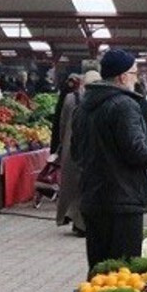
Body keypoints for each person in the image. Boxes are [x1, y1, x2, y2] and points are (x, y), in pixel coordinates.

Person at [72, 50, 147, 266]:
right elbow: (137, 152)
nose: (136, 78)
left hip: (92, 198)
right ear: (122, 77)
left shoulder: (83, 107)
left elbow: (76, 152)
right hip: (122, 201)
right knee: (123, 271)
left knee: (99, 270)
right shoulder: (125, 105)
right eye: (134, 73)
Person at [57, 70, 101, 235]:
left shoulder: (70, 98)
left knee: (73, 186)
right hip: (91, 148)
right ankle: (82, 223)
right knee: (86, 186)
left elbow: (62, 124)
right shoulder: (102, 100)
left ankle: (75, 220)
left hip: (71, 147)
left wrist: (62, 144)